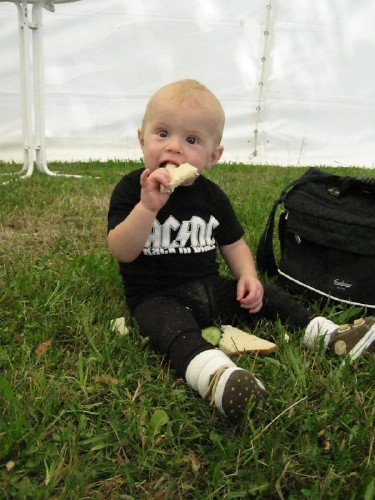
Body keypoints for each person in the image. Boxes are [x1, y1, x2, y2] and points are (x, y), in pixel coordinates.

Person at [107, 79, 375, 421]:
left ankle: (325, 334)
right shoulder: (132, 189)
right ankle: (217, 377)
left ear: (213, 156)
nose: (173, 148)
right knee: (169, 328)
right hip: (155, 296)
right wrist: (147, 208)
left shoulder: (211, 196)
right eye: (162, 134)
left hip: (208, 287)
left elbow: (233, 244)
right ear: (141, 138)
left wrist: (247, 276)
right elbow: (122, 250)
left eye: (191, 140)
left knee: (269, 296)